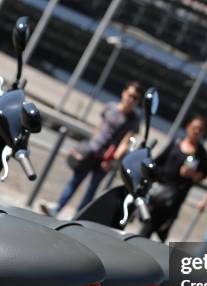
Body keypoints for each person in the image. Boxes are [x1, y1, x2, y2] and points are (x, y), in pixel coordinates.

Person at [40, 82, 142, 217]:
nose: (131, 99)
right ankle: (57, 207)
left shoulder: (134, 120)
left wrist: (112, 160)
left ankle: (79, 216)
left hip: (106, 158)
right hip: (92, 151)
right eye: (130, 95)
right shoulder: (110, 107)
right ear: (124, 93)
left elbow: (125, 142)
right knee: (75, 181)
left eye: (135, 98)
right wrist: (89, 145)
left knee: (92, 189)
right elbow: (99, 127)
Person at [140, 116, 207, 242]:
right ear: (188, 127)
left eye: (200, 129)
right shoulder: (176, 142)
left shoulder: (201, 153)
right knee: (151, 224)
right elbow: (159, 160)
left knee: (158, 226)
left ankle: (143, 246)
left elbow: (203, 175)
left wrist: (192, 174)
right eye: (194, 128)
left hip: (174, 196)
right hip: (158, 189)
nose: (196, 131)